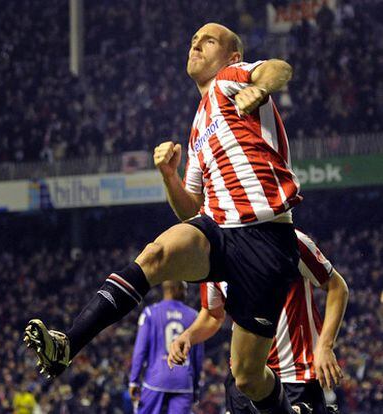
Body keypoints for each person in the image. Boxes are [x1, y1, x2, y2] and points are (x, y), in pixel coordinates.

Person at [25, 22, 303, 413]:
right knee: (155, 255)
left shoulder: (229, 81)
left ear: (232, 57)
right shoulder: (196, 129)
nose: (196, 44)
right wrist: (168, 176)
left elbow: (279, 67)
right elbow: (191, 209)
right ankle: (67, 344)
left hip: (265, 241)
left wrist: (259, 87)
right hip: (220, 231)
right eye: (193, 40)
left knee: (247, 376)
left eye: (208, 41)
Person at [168, 230, 348, 414]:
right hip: (243, 379)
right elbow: (212, 315)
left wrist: (325, 346)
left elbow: (337, 287)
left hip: (295, 377)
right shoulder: (215, 258)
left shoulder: (290, 240)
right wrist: (188, 336)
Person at [128, 281, 204, 414]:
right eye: (184, 289)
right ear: (176, 289)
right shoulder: (194, 317)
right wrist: (195, 386)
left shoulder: (150, 313)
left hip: (155, 379)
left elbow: (140, 351)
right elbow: (198, 356)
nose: (186, 293)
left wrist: (134, 381)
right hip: (183, 382)